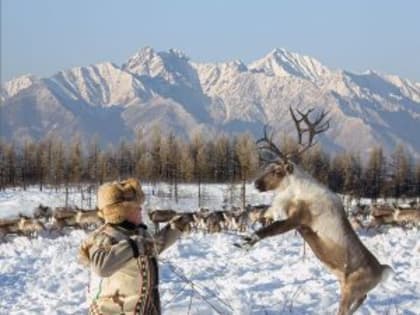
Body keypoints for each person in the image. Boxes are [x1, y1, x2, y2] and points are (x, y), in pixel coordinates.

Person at [79, 178, 188, 315]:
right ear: (122, 211)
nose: (141, 209)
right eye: (137, 207)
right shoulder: (103, 237)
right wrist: (134, 246)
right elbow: (101, 267)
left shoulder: (137, 232)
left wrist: (176, 227)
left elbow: (154, 247)